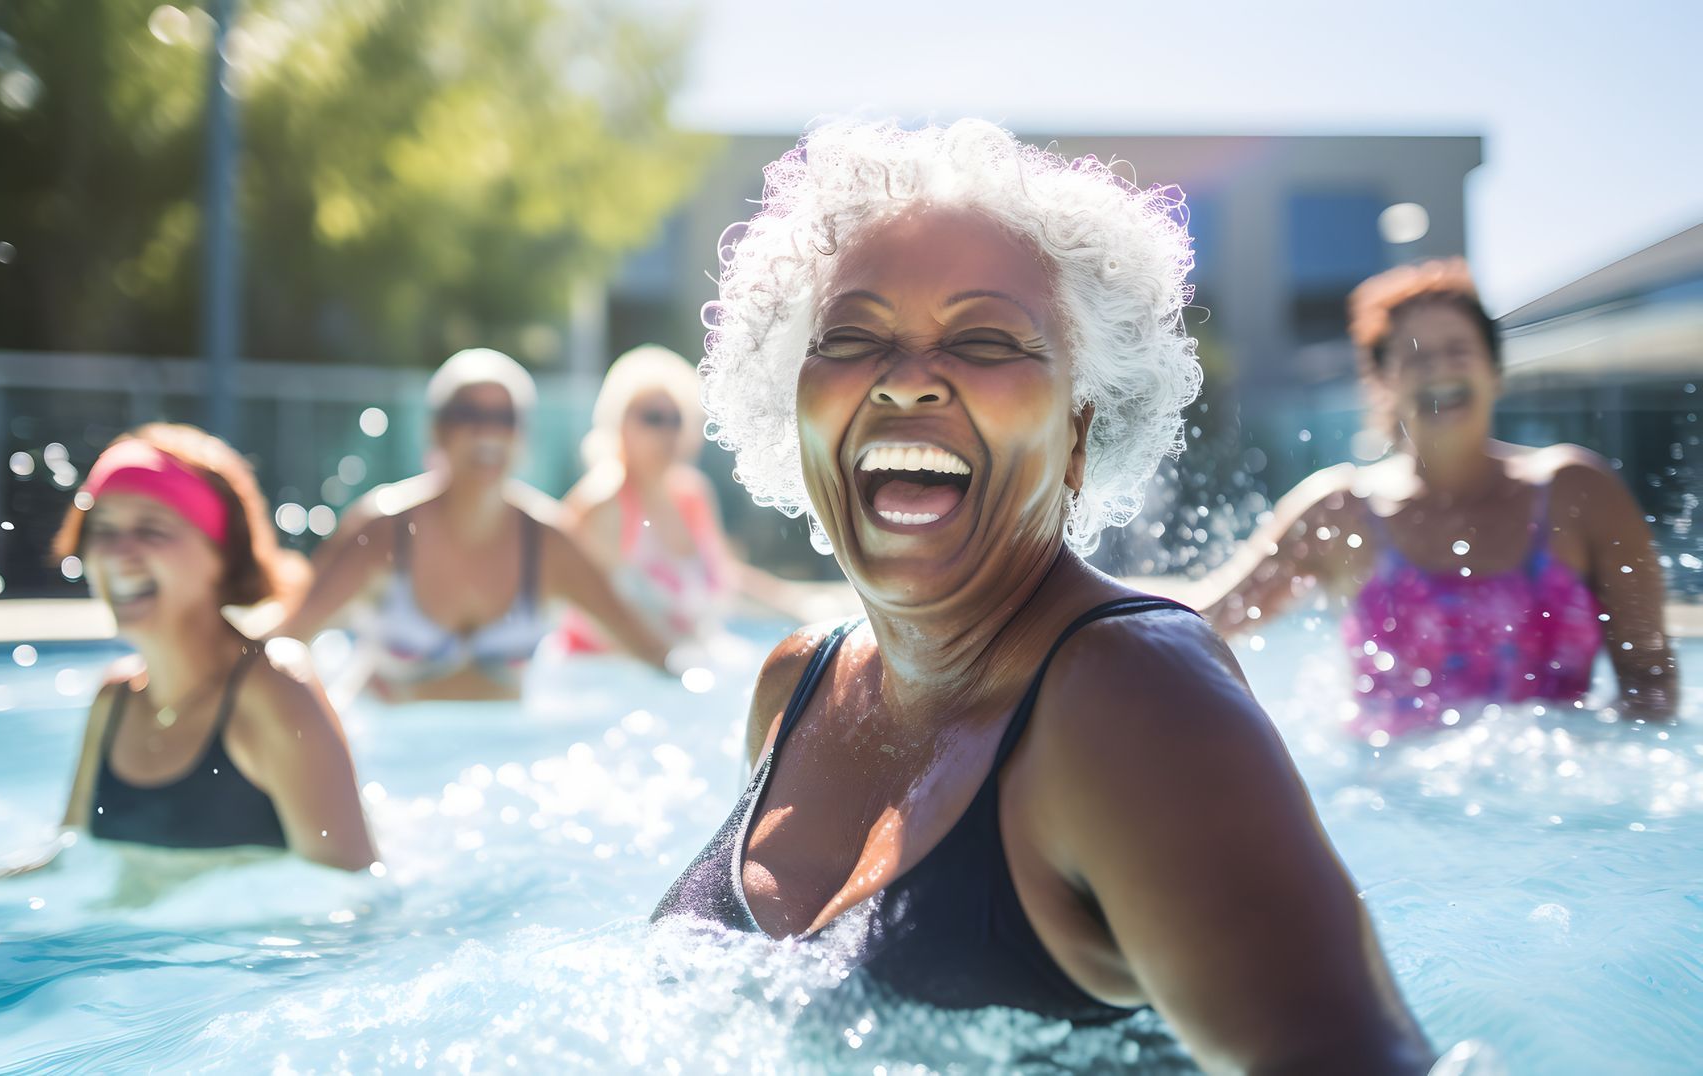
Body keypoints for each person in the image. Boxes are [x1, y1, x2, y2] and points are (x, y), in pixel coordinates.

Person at [651, 120, 1432, 1072]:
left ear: (1077, 434)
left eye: (984, 339)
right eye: (851, 336)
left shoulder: (1133, 700)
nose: (906, 382)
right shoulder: (795, 684)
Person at [1185, 259, 1677, 732]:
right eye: (1416, 356)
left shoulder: (1576, 491)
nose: (1439, 369)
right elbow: (1203, 623)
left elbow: (1650, 682)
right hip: (1388, 803)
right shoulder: (1339, 511)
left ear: (1495, 372)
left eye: (1458, 351)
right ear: (1382, 384)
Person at [53, 424, 376, 871]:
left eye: (151, 529)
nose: (117, 553)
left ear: (222, 555)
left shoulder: (275, 694)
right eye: (102, 530)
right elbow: (67, 865)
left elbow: (353, 892)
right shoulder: (114, 701)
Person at [275, 348, 675, 702]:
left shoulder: (549, 542)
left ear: (523, 436)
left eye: (505, 418)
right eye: (468, 414)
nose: (488, 431)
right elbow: (287, 639)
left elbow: (650, 650)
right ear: (436, 430)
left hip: (504, 754)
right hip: (390, 748)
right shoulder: (382, 532)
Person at [554, 344, 823, 654]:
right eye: (652, 418)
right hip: (606, 673)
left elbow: (726, 574)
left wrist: (798, 605)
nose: (666, 431)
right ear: (619, 422)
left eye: (675, 419)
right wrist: (672, 667)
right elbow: (585, 610)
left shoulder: (691, 494)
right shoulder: (604, 503)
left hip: (684, 662)